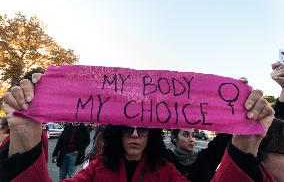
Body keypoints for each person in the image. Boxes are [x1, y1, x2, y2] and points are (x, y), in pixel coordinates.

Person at [0, 74, 275, 182]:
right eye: (127, 129)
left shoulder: (167, 174)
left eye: (142, 130)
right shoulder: (95, 171)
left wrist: (244, 144)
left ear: (151, 135)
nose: (134, 135)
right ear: (116, 132)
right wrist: (25, 137)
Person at [167, 128, 231, 181]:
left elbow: (222, 140)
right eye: (186, 135)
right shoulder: (167, 160)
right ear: (174, 138)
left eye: (193, 135)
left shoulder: (205, 158)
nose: (191, 139)